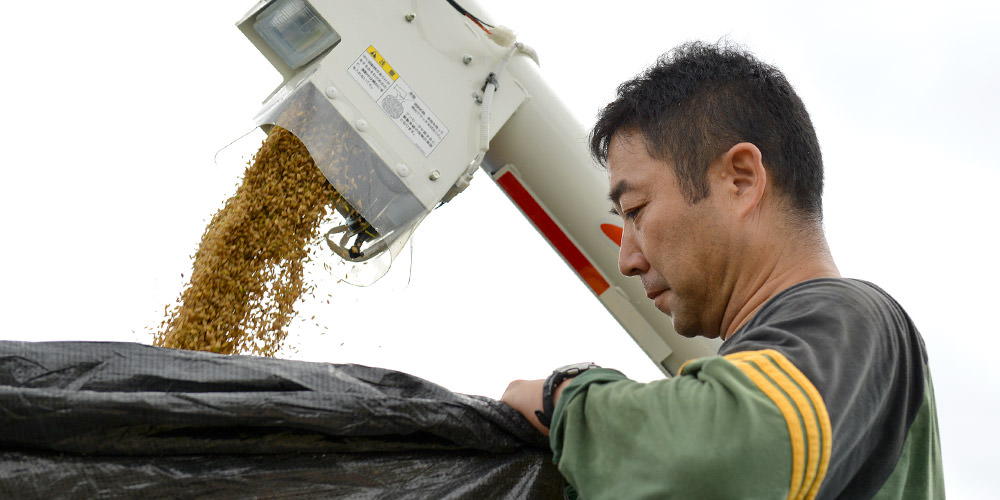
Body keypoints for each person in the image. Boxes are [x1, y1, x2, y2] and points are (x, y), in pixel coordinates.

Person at [501, 42, 944, 500]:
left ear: (742, 180)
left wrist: (563, 398)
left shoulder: (853, 318)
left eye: (635, 210)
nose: (626, 259)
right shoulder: (795, 365)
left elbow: (708, 461)